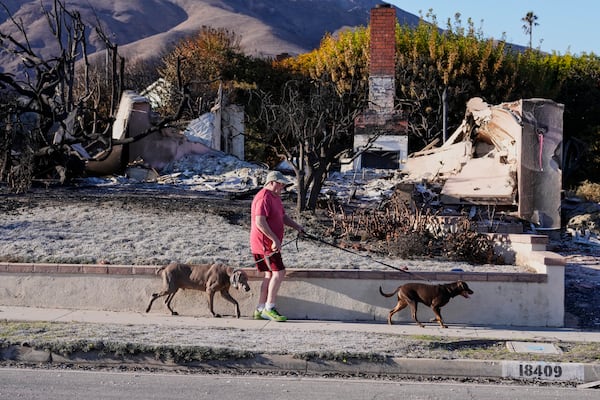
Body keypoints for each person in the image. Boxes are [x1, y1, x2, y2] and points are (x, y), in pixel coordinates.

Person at [250, 170, 304, 322]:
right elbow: (260, 221)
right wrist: (274, 239)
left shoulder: (275, 198)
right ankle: (269, 308)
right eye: (280, 184)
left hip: (270, 244)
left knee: (269, 275)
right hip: (265, 244)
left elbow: (282, 216)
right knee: (279, 273)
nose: (282, 187)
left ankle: (260, 309)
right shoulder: (263, 197)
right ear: (272, 182)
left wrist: (297, 227)